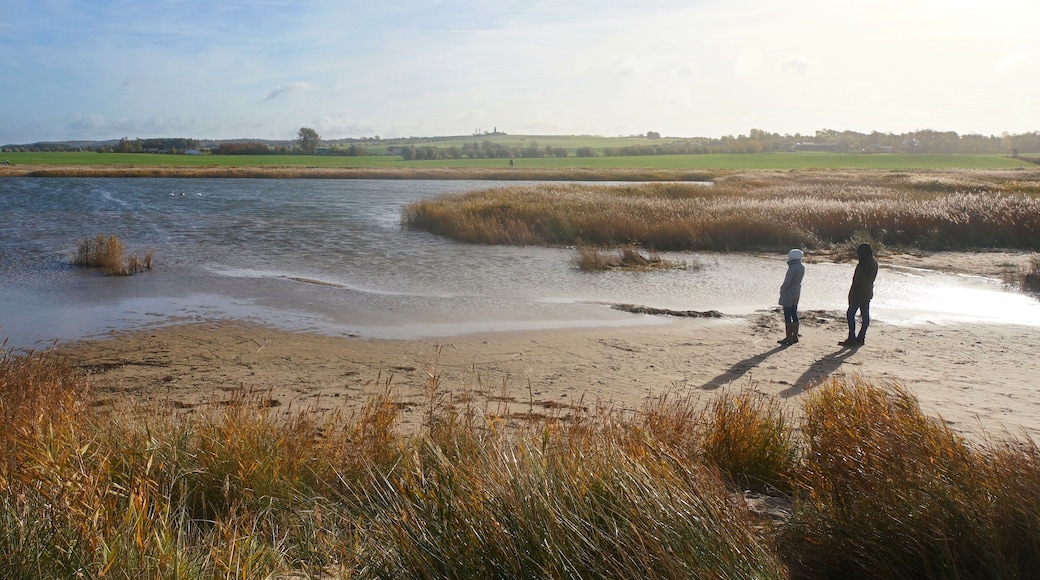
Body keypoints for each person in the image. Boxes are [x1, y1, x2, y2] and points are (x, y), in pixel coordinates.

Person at [840, 243, 879, 347]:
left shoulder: (864, 263)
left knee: (850, 314)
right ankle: (861, 337)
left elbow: (858, 280)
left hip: (859, 292)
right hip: (868, 291)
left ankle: (852, 337)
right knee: (865, 315)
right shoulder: (873, 262)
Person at [778, 248, 805, 345]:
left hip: (789, 293)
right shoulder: (801, 267)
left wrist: (782, 290)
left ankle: (788, 337)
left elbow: (787, 282)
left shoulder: (792, 268)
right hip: (797, 292)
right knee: (794, 313)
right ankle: (795, 336)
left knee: (787, 314)